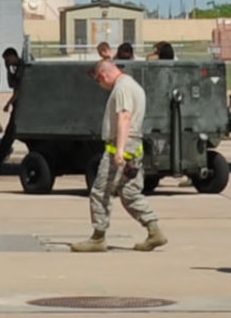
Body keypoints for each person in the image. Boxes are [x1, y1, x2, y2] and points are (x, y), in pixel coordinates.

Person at [70, 58, 166, 253]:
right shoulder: (134, 86)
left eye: (98, 81)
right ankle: (154, 230)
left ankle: (98, 237)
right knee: (130, 193)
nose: (100, 85)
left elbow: (124, 117)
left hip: (121, 146)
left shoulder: (122, 88)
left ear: (104, 75)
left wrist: (119, 150)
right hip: (135, 145)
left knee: (100, 191)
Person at [0, 46, 26, 161]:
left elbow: (19, 89)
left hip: (21, 105)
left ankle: (1, 157)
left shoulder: (22, 68)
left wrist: (8, 103)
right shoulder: (16, 68)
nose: (7, 62)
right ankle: (1, 155)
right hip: (19, 105)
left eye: (7, 60)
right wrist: (8, 69)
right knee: (10, 133)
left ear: (13, 56)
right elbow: (11, 84)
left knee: (10, 132)